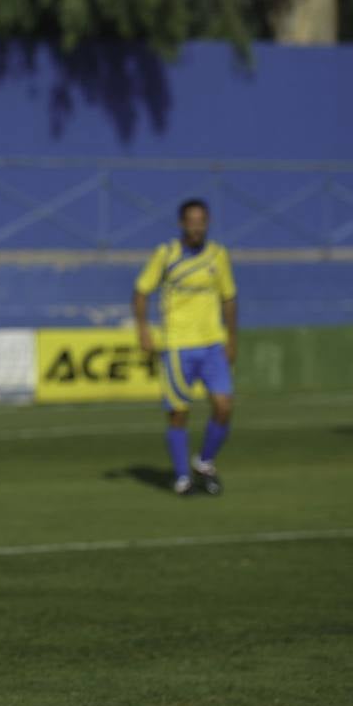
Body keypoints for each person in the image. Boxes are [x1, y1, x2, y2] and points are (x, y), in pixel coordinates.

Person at [133, 199, 238, 495]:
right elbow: (141, 292)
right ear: (182, 224)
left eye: (201, 220)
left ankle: (204, 461)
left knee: (224, 406)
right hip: (178, 345)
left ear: (208, 223)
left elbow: (229, 298)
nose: (196, 226)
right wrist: (143, 330)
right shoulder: (166, 255)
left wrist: (232, 338)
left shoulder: (218, 256)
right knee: (179, 413)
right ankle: (182, 477)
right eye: (191, 220)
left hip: (212, 344)